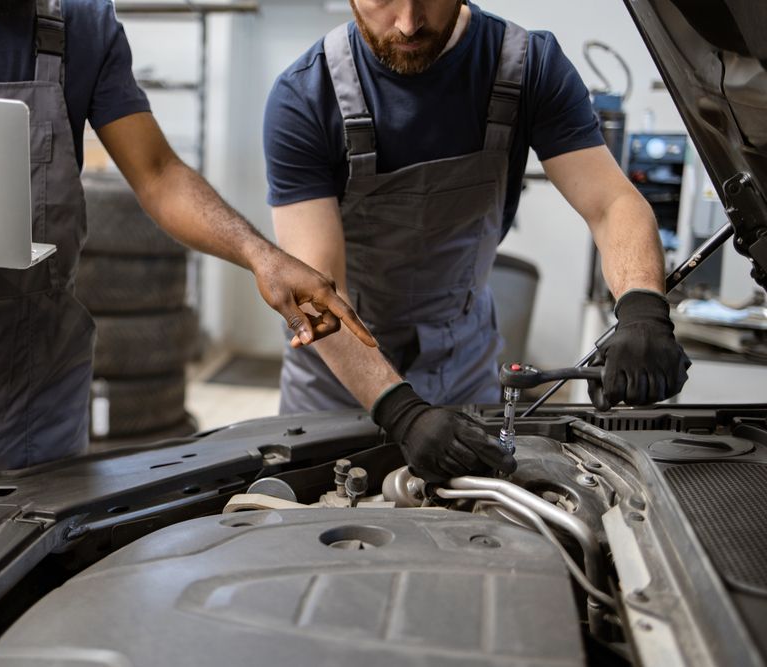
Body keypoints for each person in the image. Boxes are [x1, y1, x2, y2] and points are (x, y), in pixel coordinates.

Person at [0, 0, 376, 515]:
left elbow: (157, 173)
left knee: (38, 572)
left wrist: (259, 254)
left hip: (38, 383)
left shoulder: (80, 23)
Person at [264, 0, 690, 484]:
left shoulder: (528, 68)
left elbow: (612, 203)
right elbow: (317, 293)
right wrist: (402, 411)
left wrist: (641, 306)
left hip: (460, 360)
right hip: (337, 375)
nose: (408, 22)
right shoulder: (305, 96)